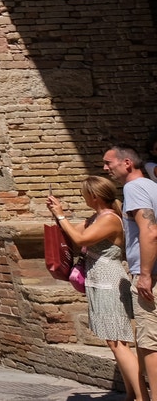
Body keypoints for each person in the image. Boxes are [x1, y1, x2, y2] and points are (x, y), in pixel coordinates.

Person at [48, 177, 140, 400]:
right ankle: (131, 394)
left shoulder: (110, 219)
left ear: (94, 196)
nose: (83, 197)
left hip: (109, 281)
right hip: (98, 282)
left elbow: (80, 238)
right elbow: (70, 236)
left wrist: (61, 214)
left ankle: (141, 396)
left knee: (117, 341)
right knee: (116, 341)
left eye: (84, 194)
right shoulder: (95, 217)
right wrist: (56, 214)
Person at [105, 145, 157, 394]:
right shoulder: (152, 186)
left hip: (151, 276)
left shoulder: (133, 188)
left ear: (127, 163)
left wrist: (145, 274)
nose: (106, 168)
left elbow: (150, 231)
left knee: (150, 343)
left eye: (109, 163)